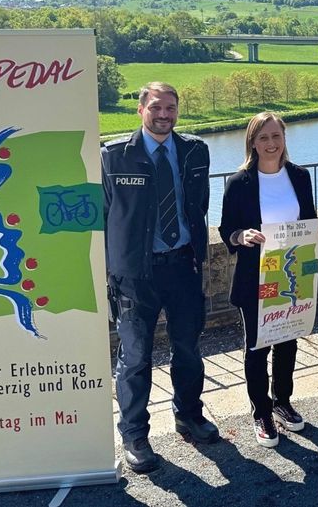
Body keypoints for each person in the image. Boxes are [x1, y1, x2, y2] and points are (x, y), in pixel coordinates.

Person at [102, 82, 218, 474]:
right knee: (135, 358)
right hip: (136, 275)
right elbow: (101, 219)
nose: (164, 114)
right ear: (141, 110)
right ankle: (134, 434)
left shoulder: (195, 151)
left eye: (170, 107)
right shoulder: (113, 157)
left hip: (183, 266)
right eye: (156, 107)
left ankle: (189, 416)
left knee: (187, 348)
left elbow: (198, 207)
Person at [219, 113, 318, 447]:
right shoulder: (239, 182)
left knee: (288, 341)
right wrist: (242, 235)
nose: (271, 144)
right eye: (264, 138)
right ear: (253, 142)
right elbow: (227, 230)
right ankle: (262, 412)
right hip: (254, 278)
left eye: (276, 136)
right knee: (257, 348)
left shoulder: (299, 176)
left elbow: (309, 219)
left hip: (292, 274)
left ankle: (282, 402)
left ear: (284, 138)